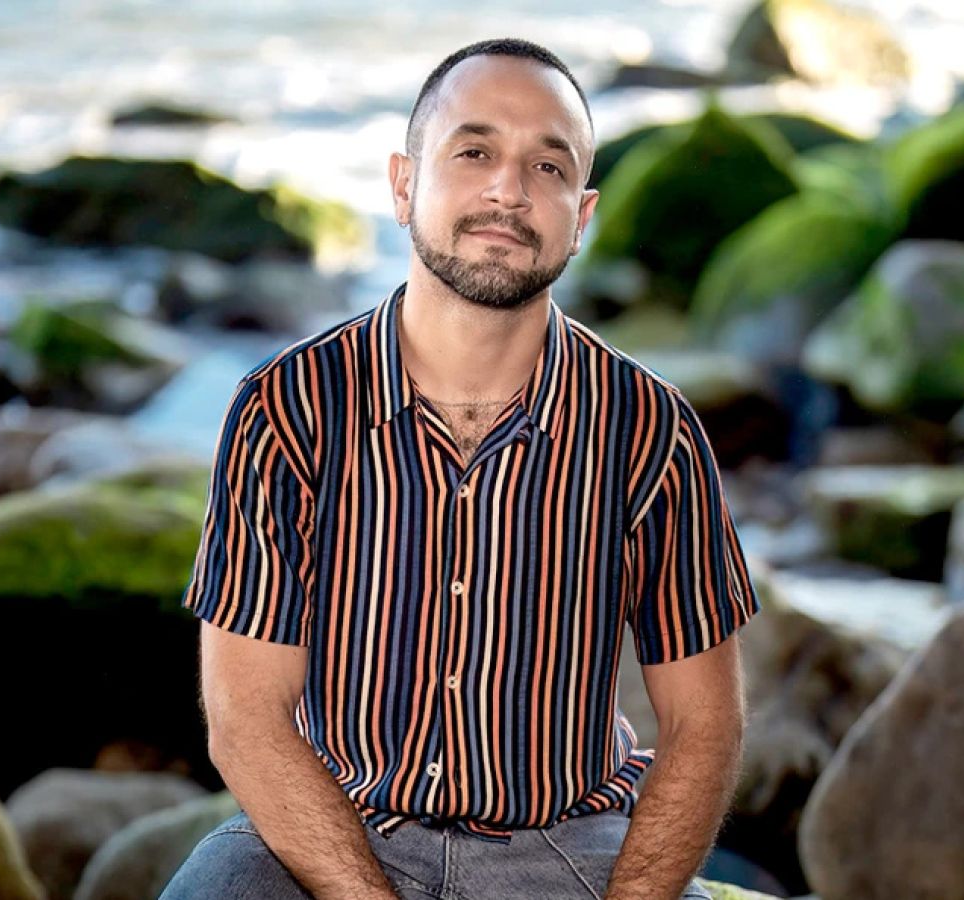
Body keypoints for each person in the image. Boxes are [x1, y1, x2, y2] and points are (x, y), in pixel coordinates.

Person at [162, 37, 760, 900]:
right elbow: (246, 717)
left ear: (581, 216)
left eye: (547, 167)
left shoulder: (647, 429)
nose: (507, 191)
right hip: (336, 838)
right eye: (473, 151)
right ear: (404, 183)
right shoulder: (286, 408)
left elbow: (706, 723)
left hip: (568, 849)